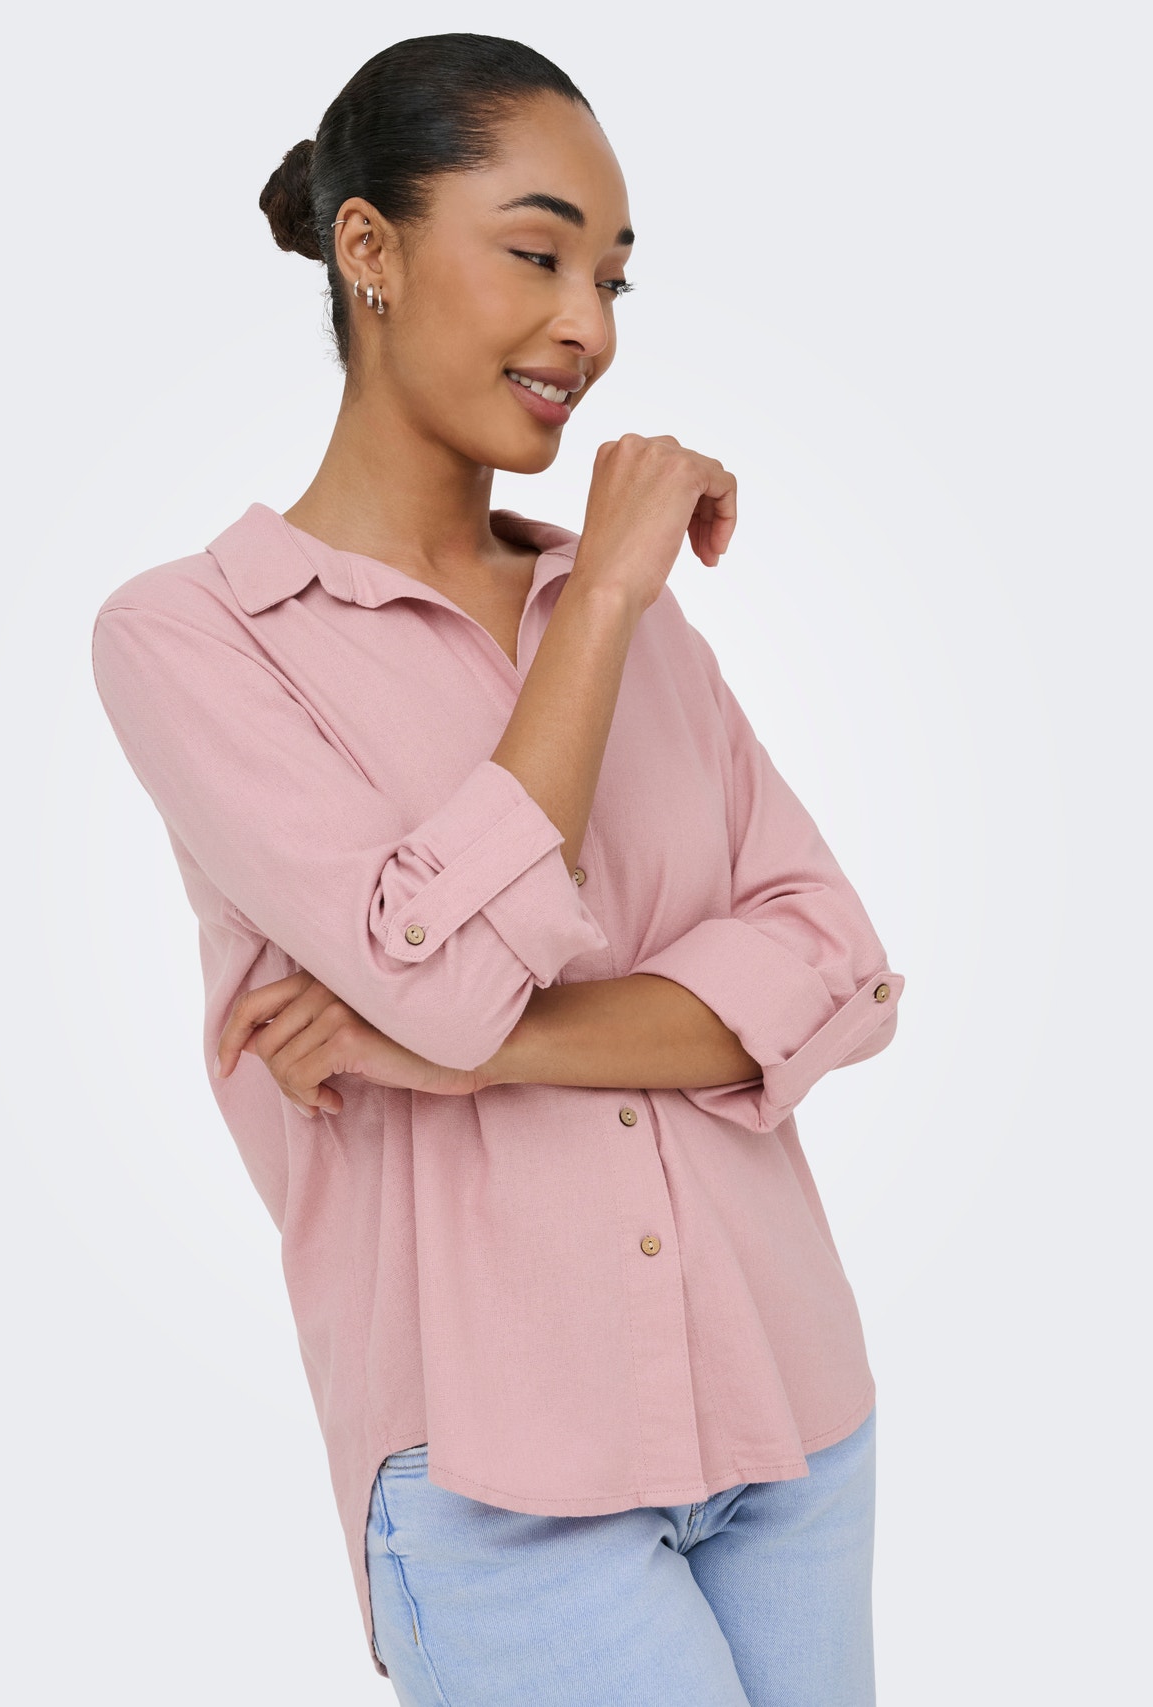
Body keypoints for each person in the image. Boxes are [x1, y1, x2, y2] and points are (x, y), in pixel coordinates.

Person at [91, 31, 905, 1707]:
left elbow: (837, 962)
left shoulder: (627, 612)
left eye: (612, 279)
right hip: (502, 1485)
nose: (588, 327)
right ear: (368, 248)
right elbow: (453, 980)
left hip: (793, 1416)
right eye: (538, 256)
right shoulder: (196, 638)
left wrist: (474, 1055)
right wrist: (598, 603)